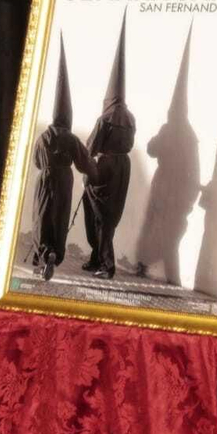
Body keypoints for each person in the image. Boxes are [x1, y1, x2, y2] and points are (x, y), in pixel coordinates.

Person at [29, 37, 92, 279]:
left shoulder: (43, 137)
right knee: (60, 217)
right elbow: (84, 162)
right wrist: (93, 173)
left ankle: (43, 253)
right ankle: (55, 252)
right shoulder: (72, 138)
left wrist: (47, 166)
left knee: (41, 216)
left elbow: (36, 161)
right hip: (65, 178)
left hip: (45, 177)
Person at [81, 15, 136, 279]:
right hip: (123, 168)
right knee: (108, 216)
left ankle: (106, 265)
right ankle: (96, 258)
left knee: (98, 215)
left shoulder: (105, 117)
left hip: (105, 167)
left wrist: (86, 168)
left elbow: (91, 147)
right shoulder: (131, 117)